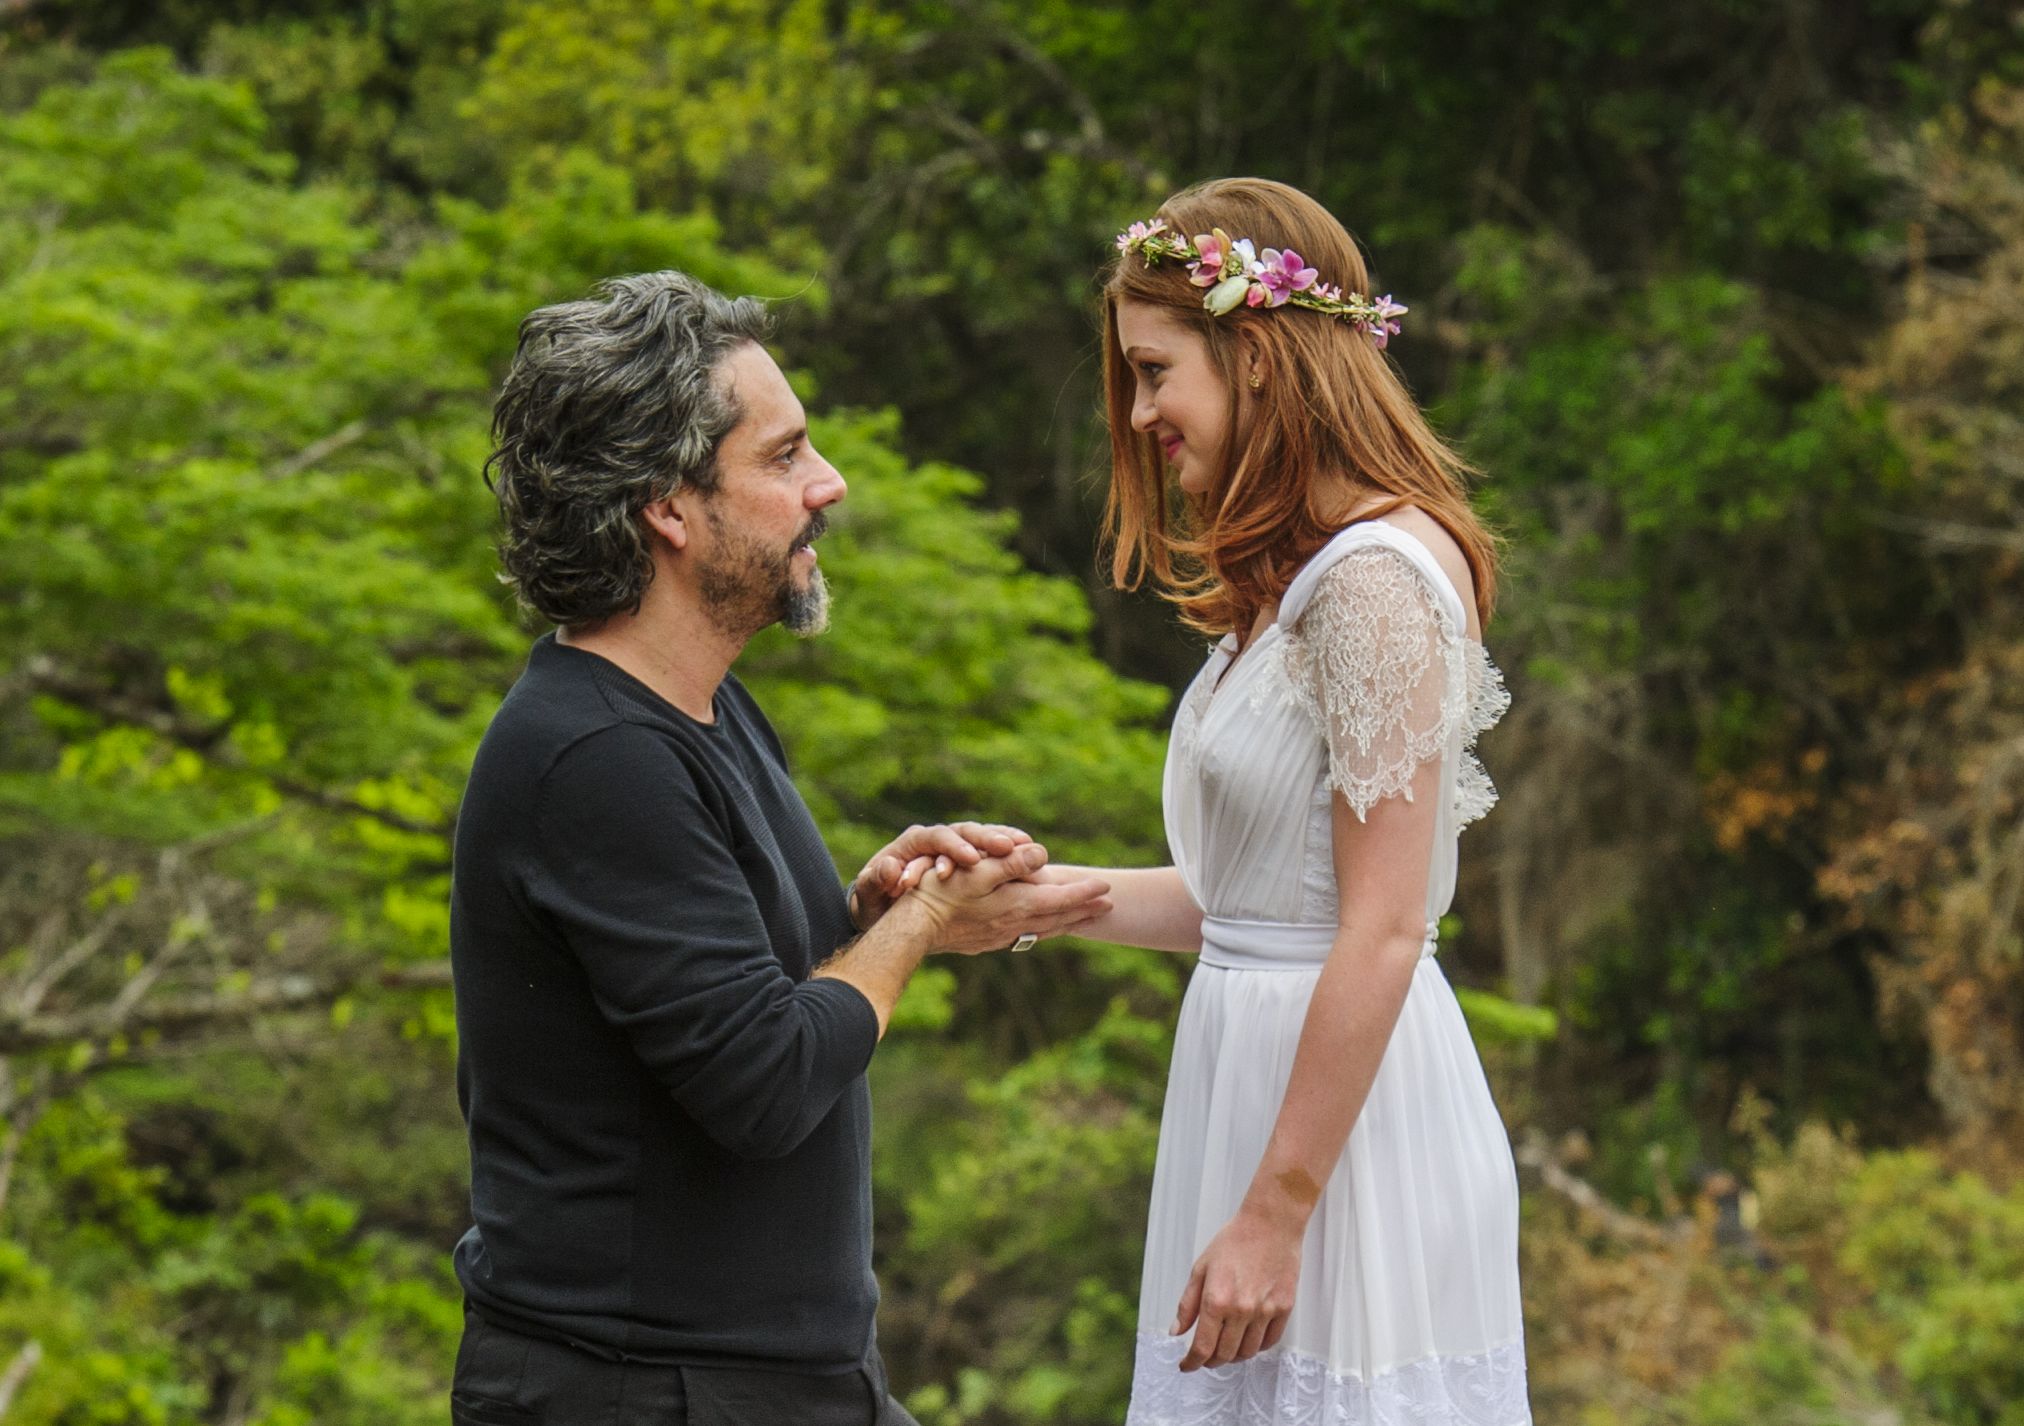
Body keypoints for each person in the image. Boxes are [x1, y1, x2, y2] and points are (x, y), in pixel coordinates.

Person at [446, 271, 1112, 1426]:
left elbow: (732, 1003)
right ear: (668, 506)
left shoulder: (706, 710)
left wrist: (864, 915)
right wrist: (921, 923)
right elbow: (762, 1082)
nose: (827, 485)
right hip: (643, 1390)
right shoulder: (595, 756)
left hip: (776, 1381)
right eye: (784, 457)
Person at [1041, 178, 1531, 1423]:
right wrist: (1024, 903)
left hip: (1339, 1145)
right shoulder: (1293, 583)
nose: (1141, 410)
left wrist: (1277, 1209)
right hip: (1252, 1093)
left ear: (1253, 354)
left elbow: (1377, 926)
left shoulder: (1370, 583)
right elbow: (1252, 907)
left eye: (1155, 371)